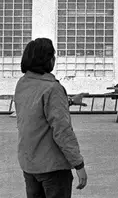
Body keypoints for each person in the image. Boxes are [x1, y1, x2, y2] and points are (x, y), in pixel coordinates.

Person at [14, 38, 88, 198]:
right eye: (52, 55)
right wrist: (78, 164)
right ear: (47, 60)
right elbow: (62, 131)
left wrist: (68, 101)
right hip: (53, 168)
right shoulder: (53, 89)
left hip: (30, 165)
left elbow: (37, 110)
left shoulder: (23, 83)